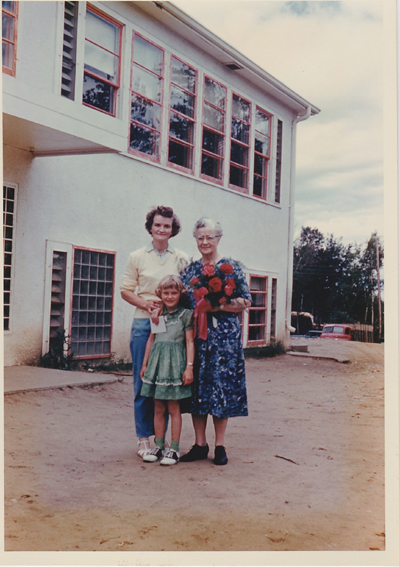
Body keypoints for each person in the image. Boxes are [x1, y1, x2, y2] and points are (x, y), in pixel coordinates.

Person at [180, 218, 252, 465]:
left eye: (210, 237)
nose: (205, 242)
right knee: (198, 388)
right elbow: (182, 302)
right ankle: (200, 444)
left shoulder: (231, 268)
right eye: (200, 237)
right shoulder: (190, 270)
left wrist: (218, 304)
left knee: (221, 387)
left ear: (218, 238)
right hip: (197, 338)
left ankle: (220, 445)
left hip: (224, 339)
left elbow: (246, 302)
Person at [120, 206, 189, 459]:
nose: (162, 229)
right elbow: (126, 290)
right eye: (157, 225)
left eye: (167, 226)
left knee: (166, 385)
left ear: (173, 230)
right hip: (145, 322)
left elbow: (188, 292)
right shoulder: (137, 256)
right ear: (150, 227)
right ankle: (143, 440)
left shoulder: (181, 257)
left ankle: (162, 443)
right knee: (143, 382)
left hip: (171, 326)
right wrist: (146, 304)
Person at [139, 275, 194, 465]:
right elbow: (152, 340)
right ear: (160, 294)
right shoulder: (158, 315)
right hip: (157, 364)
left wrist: (189, 367)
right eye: (166, 293)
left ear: (180, 294)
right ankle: (159, 445)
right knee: (158, 407)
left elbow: (189, 341)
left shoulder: (186, 315)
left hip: (175, 365)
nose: (170, 296)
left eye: (174, 293)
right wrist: (145, 364)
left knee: (173, 407)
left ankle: (174, 449)